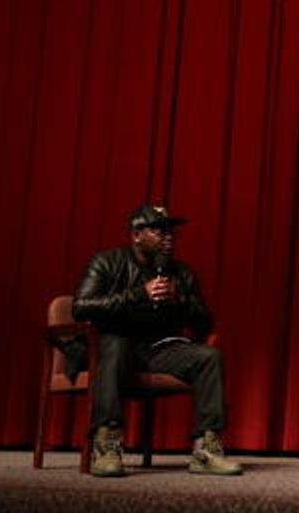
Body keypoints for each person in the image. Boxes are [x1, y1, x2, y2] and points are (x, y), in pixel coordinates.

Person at [72, 204, 241, 477]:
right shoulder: (107, 262)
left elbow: (203, 323)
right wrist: (138, 294)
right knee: (115, 342)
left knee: (208, 357)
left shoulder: (182, 274)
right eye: (159, 230)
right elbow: (81, 307)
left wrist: (180, 299)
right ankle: (107, 445)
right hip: (114, 347)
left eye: (170, 231)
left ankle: (206, 451)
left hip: (159, 349)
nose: (168, 237)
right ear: (136, 235)